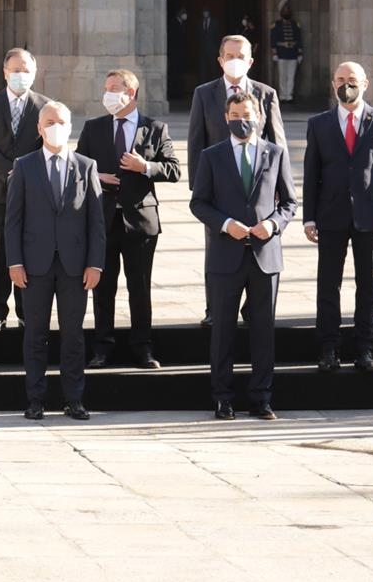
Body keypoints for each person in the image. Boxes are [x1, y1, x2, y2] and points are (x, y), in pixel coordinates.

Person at [192, 92, 297, 421]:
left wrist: (273, 224)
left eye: (247, 114)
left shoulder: (276, 153)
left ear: (259, 117)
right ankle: (223, 397)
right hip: (226, 255)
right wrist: (225, 224)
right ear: (226, 118)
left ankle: (262, 397)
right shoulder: (212, 156)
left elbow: (289, 203)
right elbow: (199, 203)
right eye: (235, 114)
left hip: (265, 256)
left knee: (263, 330)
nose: (242, 120)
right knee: (223, 329)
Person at [7, 100, 105, 421]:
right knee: (35, 334)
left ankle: (73, 399)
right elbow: (13, 221)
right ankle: (35, 399)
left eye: (61, 121)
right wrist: (14, 262)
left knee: (73, 335)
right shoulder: (24, 166)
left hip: (75, 267)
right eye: (49, 122)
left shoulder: (86, 166)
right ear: (39, 128)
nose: (55, 127)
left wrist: (95, 263)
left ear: (70, 126)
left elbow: (96, 222)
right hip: (34, 266)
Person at [303, 61, 373, 374]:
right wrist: (309, 217)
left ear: (366, 83)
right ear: (333, 84)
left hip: (370, 216)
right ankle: (329, 348)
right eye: (341, 79)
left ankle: (365, 348)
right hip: (330, 215)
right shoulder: (319, 123)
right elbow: (311, 173)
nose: (347, 84)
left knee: (367, 285)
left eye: (353, 79)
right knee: (328, 284)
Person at [76, 68, 177, 370]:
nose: (108, 93)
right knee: (103, 287)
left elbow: (173, 169)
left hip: (141, 221)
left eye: (114, 87)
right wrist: (95, 174)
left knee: (140, 286)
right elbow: (77, 167)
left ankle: (143, 347)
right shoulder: (94, 128)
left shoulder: (155, 128)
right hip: (102, 220)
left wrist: (145, 166)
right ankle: (102, 348)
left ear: (130, 93)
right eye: (106, 87)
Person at [185, 34, 284, 323]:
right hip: (217, 187)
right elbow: (195, 142)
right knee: (216, 246)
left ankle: (254, 306)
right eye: (229, 56)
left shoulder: (266, 94)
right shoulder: (205, 94)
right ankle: (214, 308)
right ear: (220, 60)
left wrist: (278, 187)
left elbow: (277, 142)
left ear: (251, 61)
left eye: (241, 56)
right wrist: (199, 189)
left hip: (255, 185)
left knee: (258, 247)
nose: (235, 61)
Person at [0, 47, 50, 332]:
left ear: (34, 73)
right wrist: (11, 172)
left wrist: (26, 174)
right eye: (15, 70)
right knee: (0, 253)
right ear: (5, 73)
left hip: (33, 194)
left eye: (26, 70)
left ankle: (25, 310)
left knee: (28, 253)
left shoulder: (44, 105)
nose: (21, 75)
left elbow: (47, 146)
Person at [269, 8, 303, 104]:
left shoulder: (295, 25)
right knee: (282, 76)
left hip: (292, 53)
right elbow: (273, 39)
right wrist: (274, 53)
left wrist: (300, 53)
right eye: (284, 12)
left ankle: (289, 96)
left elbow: (299, 39)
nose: (286, 13)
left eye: (288, 12)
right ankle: (282, 96)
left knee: (291, 76)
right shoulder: (277, 25)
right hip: (281, 53)